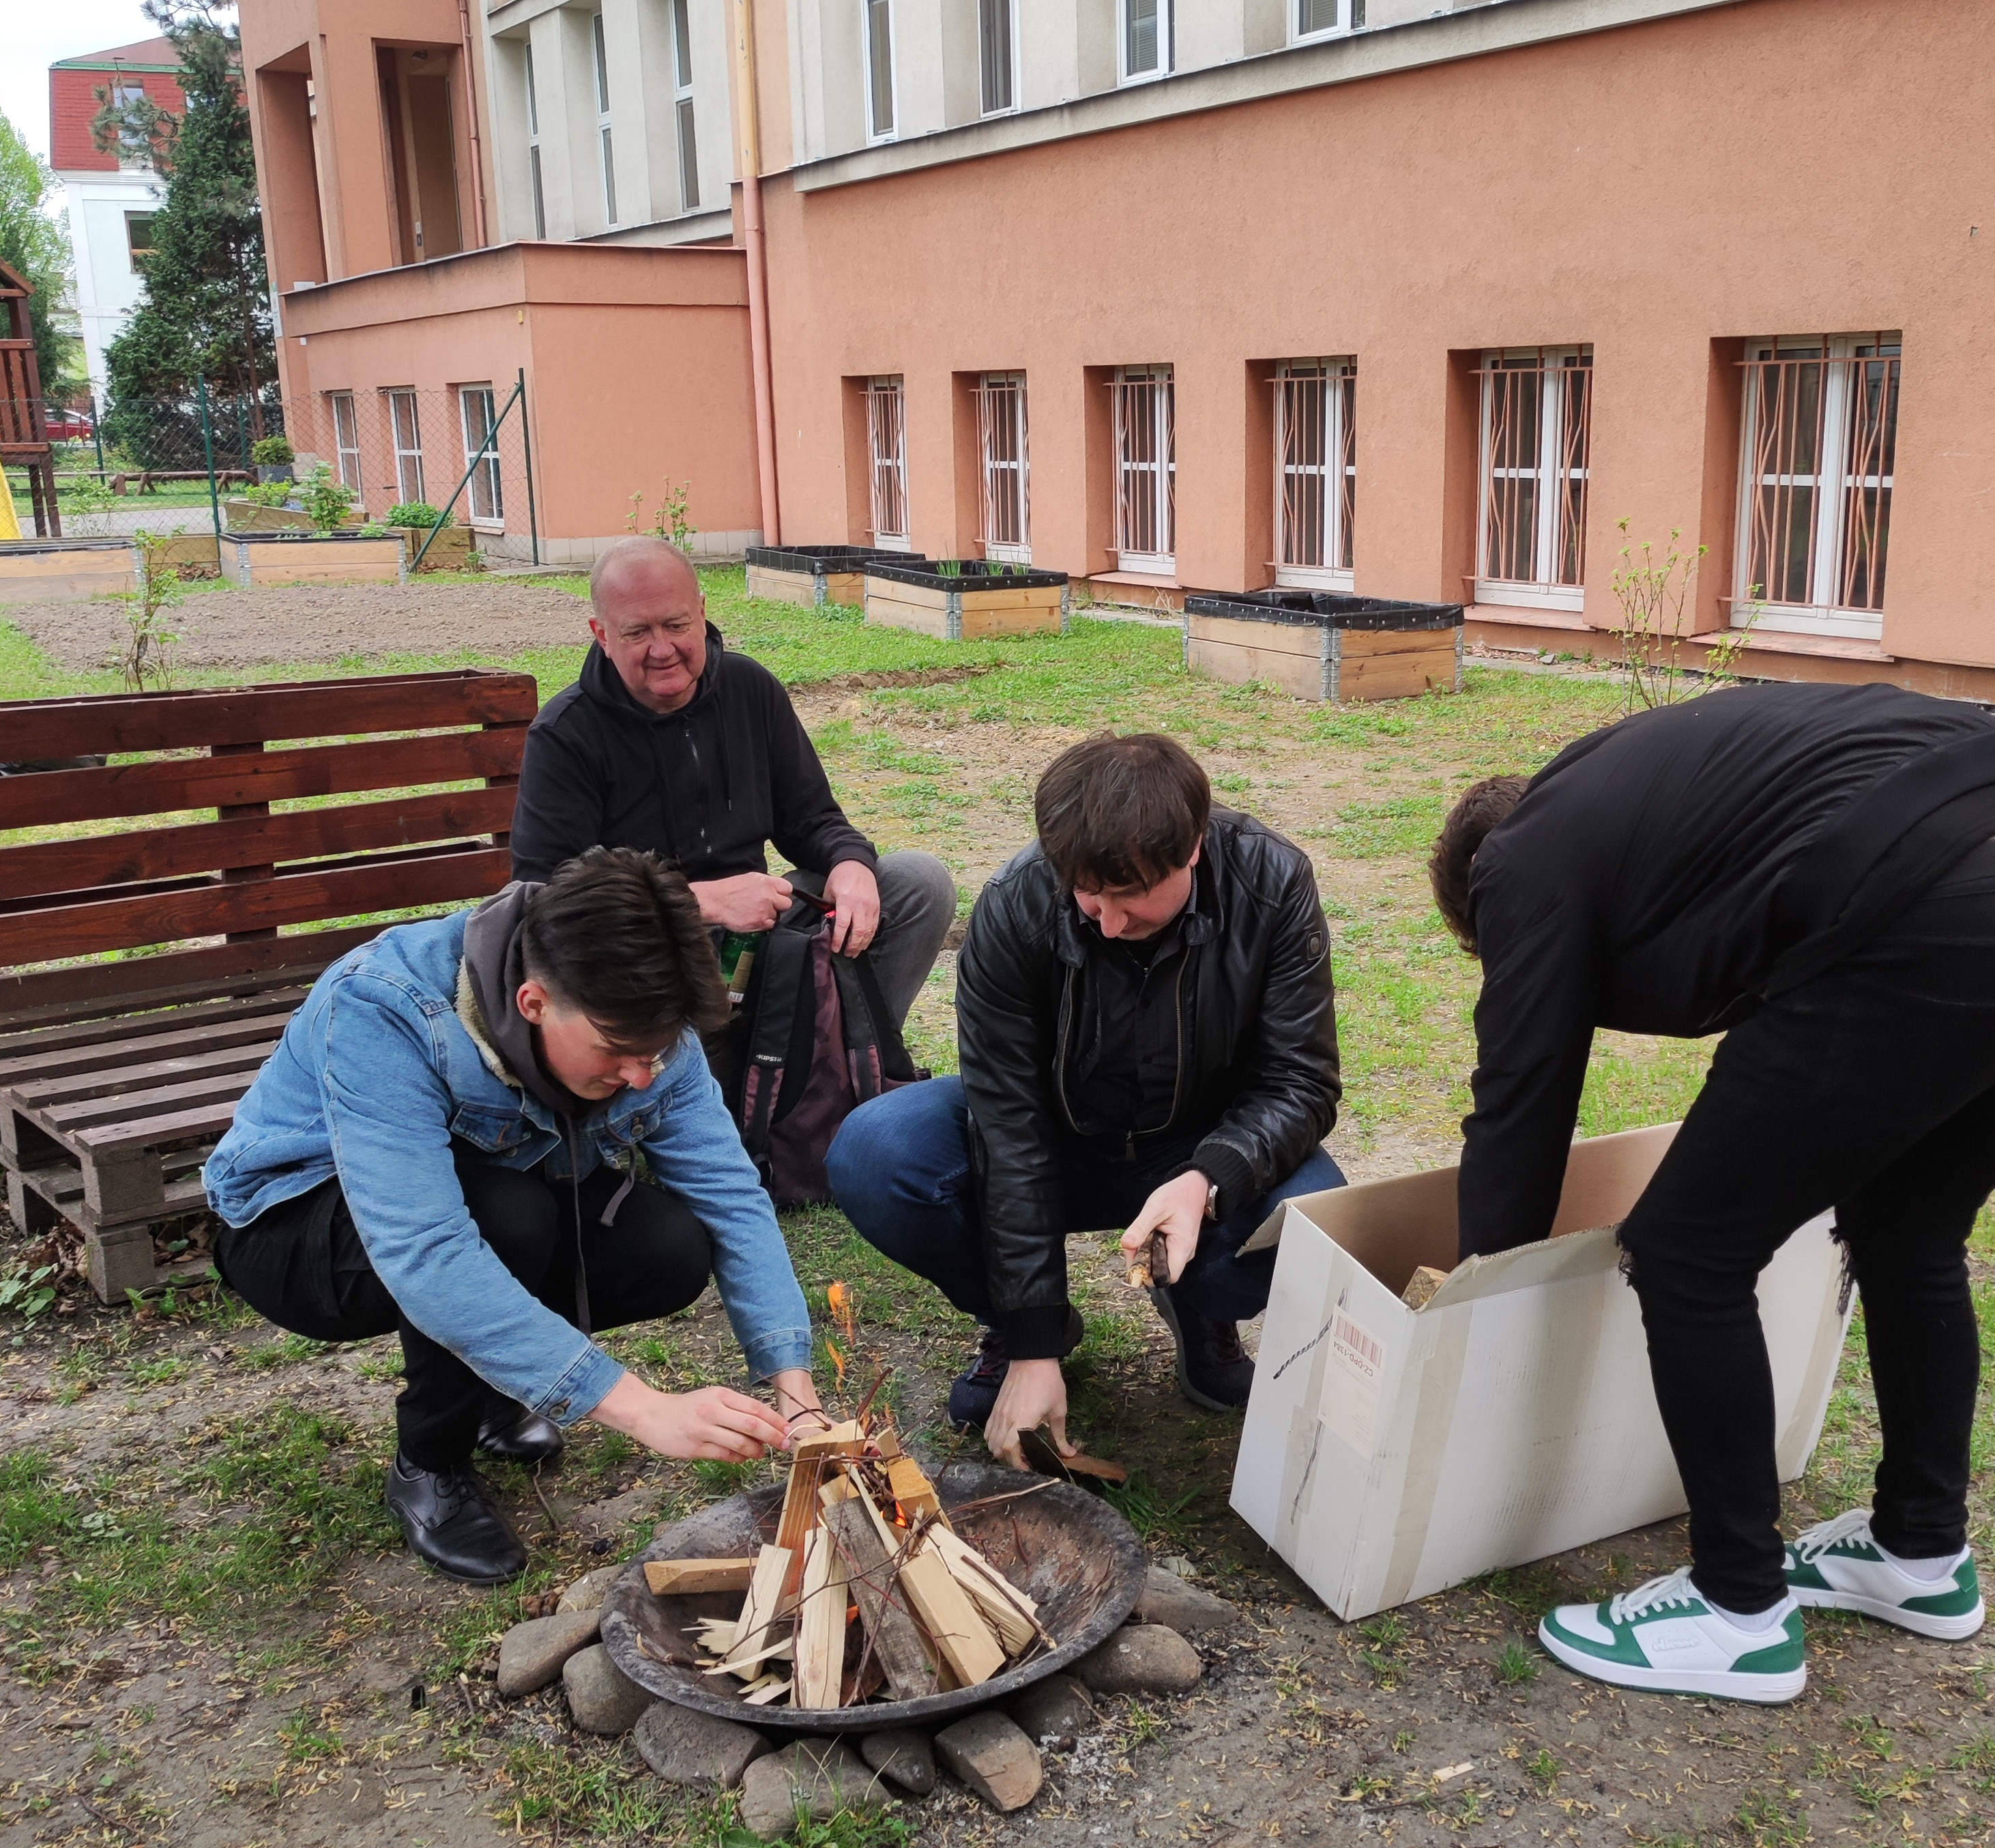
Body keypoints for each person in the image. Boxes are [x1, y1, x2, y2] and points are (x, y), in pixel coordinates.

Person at [1431, 680, 1994, 1706]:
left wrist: (1480, 1296)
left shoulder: (1519, 865)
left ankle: (1739, 1611)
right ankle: (1919, 1553)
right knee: (1906, 1226)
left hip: (1925, 890)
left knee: (1688, 1250)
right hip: (1958, 845)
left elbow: (1521, 1098)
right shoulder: (1642, 795)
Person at [207, 849, 821, 1585]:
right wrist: (639, 1407)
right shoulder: (384, 1005)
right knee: (505, 1217)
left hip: (493, 1199)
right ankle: (430, 1464)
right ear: (533, 1002)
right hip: (293, 1226)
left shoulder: (647, 1024)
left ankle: (501, 1391)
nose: (639, 1077)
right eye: (617, 1053)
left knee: (669, 1246)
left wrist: (797, 1391)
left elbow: (730, 1198)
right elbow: (427, 1250)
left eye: (656, 1053)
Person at [827, 732, 1344, 1461]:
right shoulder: (1014, 906)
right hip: (1056, 1138)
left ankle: (1197, 1303)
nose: (1104, 920)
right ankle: (1018, 1325)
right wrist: (1035, 1340)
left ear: (1191, 848)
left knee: (1310, 1218)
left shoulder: (1271, 881)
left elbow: (1301, 1079)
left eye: (1130, 894)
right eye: (1085, 891)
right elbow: (1006, 1124)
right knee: (876, 1151)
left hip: (1197, 1145)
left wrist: (1207, 1179)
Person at [510, 537, 955, 1033]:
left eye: (677, 625)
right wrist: (702, 903)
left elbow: (811, 819)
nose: (663, 650)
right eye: (638, 632)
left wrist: (850, 863)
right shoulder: (567, 734)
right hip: (647, 953)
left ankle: (849, 1062)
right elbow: (543, 898)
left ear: (702, 613)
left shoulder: (750, 689)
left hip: (756, 933)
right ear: (602, 635)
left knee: (917, 883)